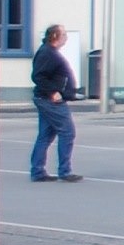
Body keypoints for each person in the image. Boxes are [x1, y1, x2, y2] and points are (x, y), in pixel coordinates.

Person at [28, 24, 82, 182]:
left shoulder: (49, 52)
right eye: (64, 34)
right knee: (67, 132)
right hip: (50, 101)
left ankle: (37, 171)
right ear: (54, 36)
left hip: (46, 99)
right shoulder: (48, 53)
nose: (66, 37)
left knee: (45, 135)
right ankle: (64, 171)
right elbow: (38, 76)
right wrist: (53, 91)